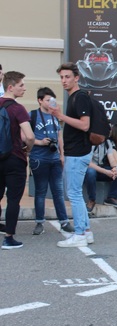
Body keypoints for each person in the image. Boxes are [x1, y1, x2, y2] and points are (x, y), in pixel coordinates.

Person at [50, 62, 94, 248]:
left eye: (67, 77)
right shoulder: (75, 97)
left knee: (74, 194)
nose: (64, 80)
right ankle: (86, 232)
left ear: (76, 78)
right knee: (76, 194)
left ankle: (79, 234)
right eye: (61, 77)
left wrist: (60, 116)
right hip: (78, 151)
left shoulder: (79, 97)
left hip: (77, 152)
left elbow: (85, 125)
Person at [29, 87, 73, 235]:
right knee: (40, 192)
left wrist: (62, 154)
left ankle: (64, 222)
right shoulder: (33, 115)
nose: (50, 103)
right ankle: (39, 223)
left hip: (54, 158)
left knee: (58, 192)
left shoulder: (55, 116)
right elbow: (25, 136)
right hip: (39, 158)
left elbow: (59, 136)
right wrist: (41, 142)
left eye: (52, 100)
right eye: (48, 100)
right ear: (40, 100)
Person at [0, 70, 35, 249]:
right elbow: (29, 136)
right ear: (11, 87)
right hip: (14, 158)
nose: (24, 88)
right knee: (13, 199)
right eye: (21, 85)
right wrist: (27, 149)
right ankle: (9, 238)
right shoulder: (17, 108)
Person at [83, 135, 117, 210]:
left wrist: (114, 168)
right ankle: (92, 200)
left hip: (102, 168)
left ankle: (112, 197)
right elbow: (89, 164)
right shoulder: (90, 142)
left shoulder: (107, 142)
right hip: (91, 169)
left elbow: (111, 158)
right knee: (91, 172)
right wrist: (106, 172)